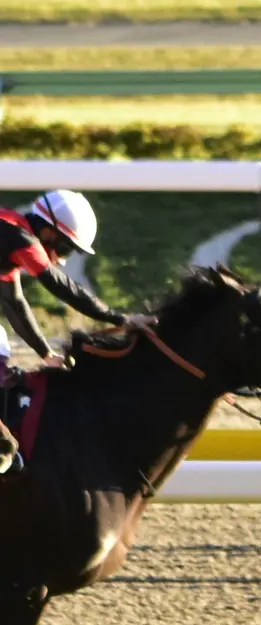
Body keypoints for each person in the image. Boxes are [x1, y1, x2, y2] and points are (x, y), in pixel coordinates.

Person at [0, 190, 151, 473]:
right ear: (48, 233)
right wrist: (120, 318)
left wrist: (45, 353)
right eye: (65, 249)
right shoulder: (20, 238)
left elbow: (15, 303)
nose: (62, 260)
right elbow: (62, 286)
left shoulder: (8, 235)